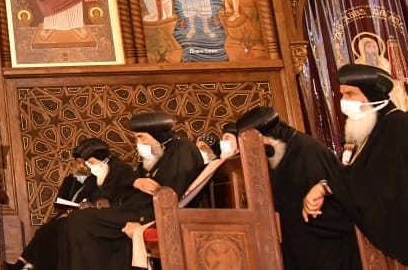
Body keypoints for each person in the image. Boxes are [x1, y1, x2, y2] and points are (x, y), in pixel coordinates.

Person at [55, 111, 203, 270]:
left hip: (154, 214)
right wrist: (137, 182)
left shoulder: (182, 149)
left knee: (81, 221)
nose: (138, 142)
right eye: (136, 138)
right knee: (74, 220)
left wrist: (144, 221)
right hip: (137, 209)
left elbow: (172, 193)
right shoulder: (158, 152)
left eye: (141, 137)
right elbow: (134, 178)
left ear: (157, 133)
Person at [302, 63, 408, 262]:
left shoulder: (397, 124)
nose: (344, 101)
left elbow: (380, 178)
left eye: (350, 94)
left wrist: (326, 188)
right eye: (342, 94)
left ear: (371, 95)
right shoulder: (366, 125)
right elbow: (353, 171)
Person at [232, 105, 360, 270]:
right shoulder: (280, 151)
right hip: (297, 242)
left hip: (326, 247)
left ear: (268, 138)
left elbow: (327, 208)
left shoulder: (306, 151)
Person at [10, 137, 134, 270]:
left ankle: (28, 264)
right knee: (48, 230)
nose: (86, 166)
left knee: (57, 229)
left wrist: (92, 206)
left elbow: (110, 200)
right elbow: (88, 197)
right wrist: (85, 206)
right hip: (85, 216)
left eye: (89, 162)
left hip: (112, 219)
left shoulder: (119, 169)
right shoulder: (81, 177)